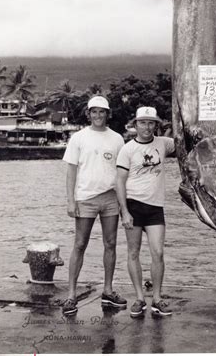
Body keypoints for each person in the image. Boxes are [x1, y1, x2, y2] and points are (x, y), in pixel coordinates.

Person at [61, 96, 126, 316]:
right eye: (94, 112)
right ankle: (71, 295)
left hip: (110, 198)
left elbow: (122, 173)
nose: (98, 116)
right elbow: (71, 172)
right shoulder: (78, 138)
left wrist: (124, 202)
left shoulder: (117, 139)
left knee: (111, 244)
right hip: (85, 198)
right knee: (79, 244)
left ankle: (108, 290)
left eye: (102, 112)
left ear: (108, 114)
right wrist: (71, 200)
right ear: (88, 114)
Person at [116, 106, 175, 318]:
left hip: (155, 207)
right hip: (133, 205)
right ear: (136, 125)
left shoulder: (164, 144)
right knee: (133, 253)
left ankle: (157, 299)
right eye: (142, 122)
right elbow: (120, 181)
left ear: (156, 125)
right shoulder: (127, 149)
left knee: (158, 253)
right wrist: (124, 212)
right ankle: (140, 298)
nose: (147, 127)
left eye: (151, 123)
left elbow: (187, 143)